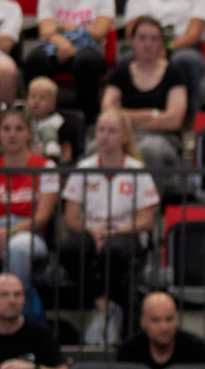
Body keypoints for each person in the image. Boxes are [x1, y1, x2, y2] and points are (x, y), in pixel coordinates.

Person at [60, 108, 160, 343]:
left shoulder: (137, 170)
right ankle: (102, 302)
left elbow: (146, 220)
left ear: (124, 136)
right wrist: (93, 232)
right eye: (101, 130)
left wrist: (114, 232)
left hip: (125, 234)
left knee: (114, 250)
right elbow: (70, 219)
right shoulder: (84, 168)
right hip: (91, 231)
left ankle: (112, 312)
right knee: (70, 250)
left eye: (112, 131)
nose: (105, 136)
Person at [0, 108, 59, 322]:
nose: (12, 134)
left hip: (29, 232)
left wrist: (10, 231)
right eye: (6, 129)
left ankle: (21, 318)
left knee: (17, 248)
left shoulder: (45, 167)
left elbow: (42, 217)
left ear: (28, 134)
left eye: (18, 129)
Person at [100, 15, 186, 172]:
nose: (148, 44)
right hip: (123, 136)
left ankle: (150, 197)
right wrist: (154, 114)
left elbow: (174, 119)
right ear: (132, 41)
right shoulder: (120, 71)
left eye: (154, 39)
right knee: (96, 147)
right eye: (142, 38)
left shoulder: (174, 72)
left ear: (162, 43)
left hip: (164, 138)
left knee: (149, 149)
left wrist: (126, 118)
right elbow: (108, 111)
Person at [120, 0, 205, 124]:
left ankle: (188, 122)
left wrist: (164, 49)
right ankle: (124, 120)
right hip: (145, 46)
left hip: (184, 46)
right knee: (124, 60)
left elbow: (193, 34)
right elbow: (132, 30)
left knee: (186, 61)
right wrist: (151, 46)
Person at [23, 0, 114, 124]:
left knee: (87, 63)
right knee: (35, 60)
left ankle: (88, 123)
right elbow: (45, 31)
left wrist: (64, 27)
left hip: (89, 46)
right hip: (54, 44)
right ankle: (34, 120)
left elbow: (99, 32)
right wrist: (61, 41)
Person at [26, 76, 78, 164]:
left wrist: (65, 164)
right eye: (33, 96)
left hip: (52, 164)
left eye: (42, 98)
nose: (36, 101)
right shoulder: (23, 122)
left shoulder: (60, 122)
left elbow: (66, 148)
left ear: (52, 104)